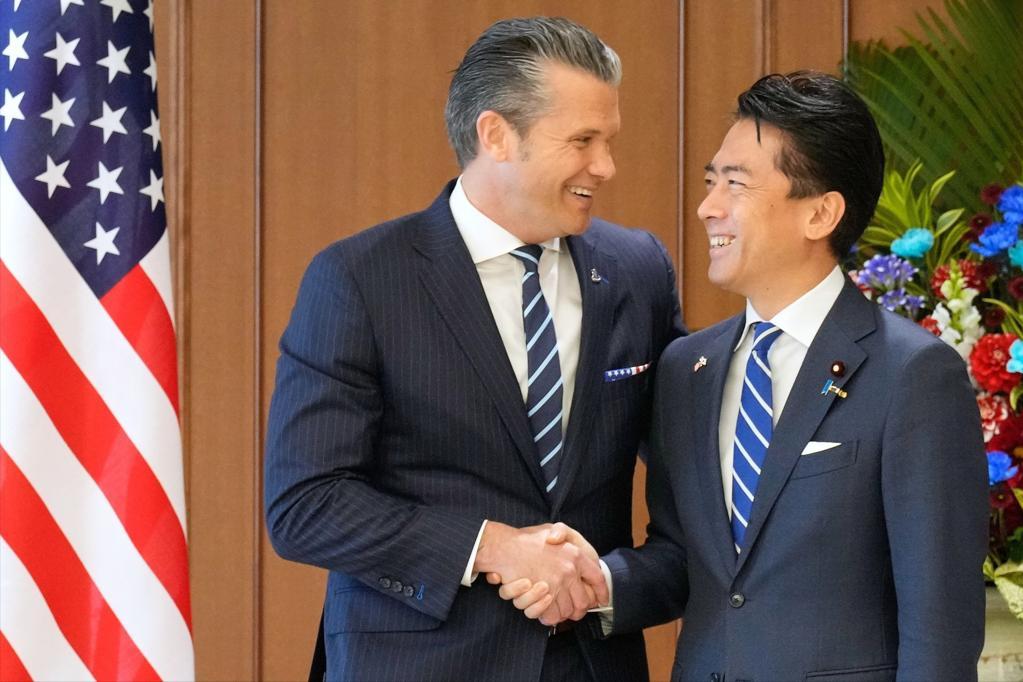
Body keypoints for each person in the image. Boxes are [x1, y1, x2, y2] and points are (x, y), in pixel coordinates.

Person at [505, 72, 988, 681]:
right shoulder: (687, 369)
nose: (708, 207)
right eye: (711, 181)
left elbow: (940, 623)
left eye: (735, 184)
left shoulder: (913, 373)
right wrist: (600, 581)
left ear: (821, 213)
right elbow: (686, 559)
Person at [263, 16, 684, 682]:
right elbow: (305, 506)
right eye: (582, 141)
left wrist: (609, 583)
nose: (605, 166)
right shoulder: (360, 279)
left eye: (608, 141)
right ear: (496, 135)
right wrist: (492, 547)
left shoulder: (638, 270)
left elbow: (696, 488)